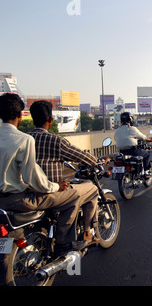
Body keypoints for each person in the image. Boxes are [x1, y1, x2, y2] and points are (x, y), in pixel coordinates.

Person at [0, 93, 86, 255]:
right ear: (19, 115)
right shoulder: (23, 139)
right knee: (73, 195)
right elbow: (34, 178)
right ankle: (64, 243)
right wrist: (56, 186)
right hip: (19, 200)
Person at [29, 100, 107, 244]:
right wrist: (99, 161)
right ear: (51, 119)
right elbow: (81, 156)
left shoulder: (26, 139)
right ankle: (84, 234)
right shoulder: (55, 141)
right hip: (50, 192)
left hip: (28, 193)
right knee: (91, 189)